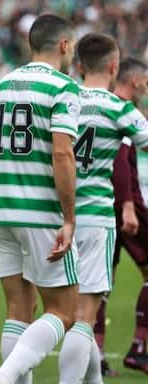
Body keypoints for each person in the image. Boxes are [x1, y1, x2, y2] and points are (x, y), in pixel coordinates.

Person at [0, 14, 80, 384]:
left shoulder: (2, 84)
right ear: (64, 45)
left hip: (2, 208)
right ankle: (2, 379)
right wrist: (68, 218)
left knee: (18, 310)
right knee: (64, 311)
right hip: (40, 212)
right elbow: (62, 154)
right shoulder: (63, 87)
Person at [56, 33, 148, 384]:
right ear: (114, 66)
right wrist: (127, 203)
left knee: (55, 310)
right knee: (83, 314)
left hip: (56, 217)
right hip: (96, 215)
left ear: (78, 66)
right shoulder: (119, 108)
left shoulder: (61, 98)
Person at [95, 57, 148, 376]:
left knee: (102, 282)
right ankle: (140, 348)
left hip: (102, 204)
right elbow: (117, 159)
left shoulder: (103, 106)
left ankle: (96, 356)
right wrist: (128, 204)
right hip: (125, 203)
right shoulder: (123, 110)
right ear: (136, 80)